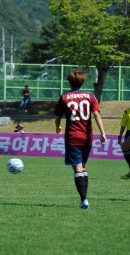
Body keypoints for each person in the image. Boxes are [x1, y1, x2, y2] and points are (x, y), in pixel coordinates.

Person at [54, 70, 106, 209]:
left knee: (77, 169)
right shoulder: (90, 96)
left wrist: (58, 127)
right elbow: (96, 115)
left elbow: (58, 116)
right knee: (82, 166)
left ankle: (84, 199)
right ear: (82, 82)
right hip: (87, 137)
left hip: (73, 137)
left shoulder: (64, 97)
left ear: (69, 82)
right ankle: (84, 198)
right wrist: (103, 133)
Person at [117, 108, 130, 179]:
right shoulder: (127, 111)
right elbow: (123, 125)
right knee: (125, 149)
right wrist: (120, 136)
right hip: (129, 133)